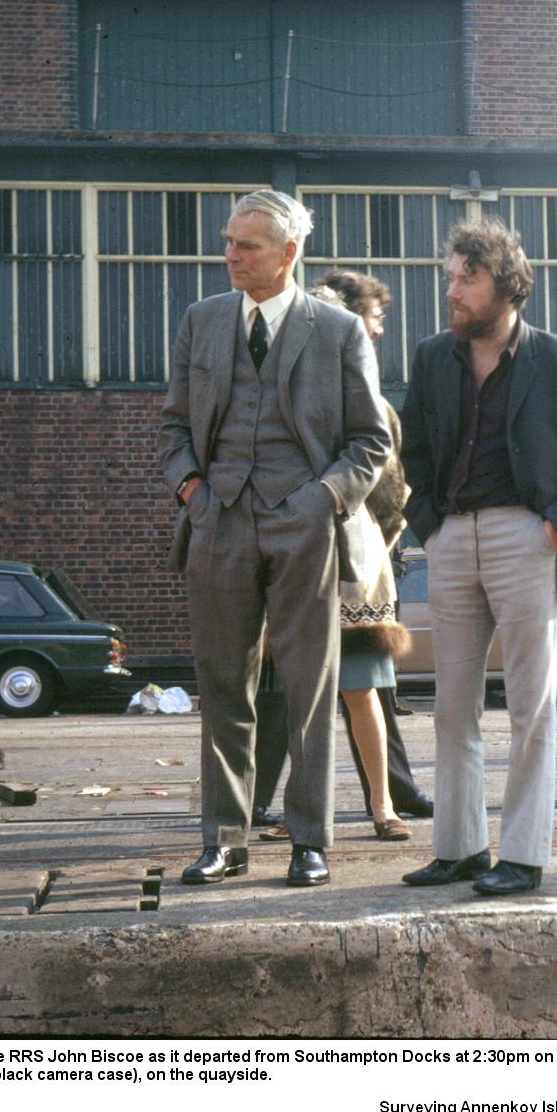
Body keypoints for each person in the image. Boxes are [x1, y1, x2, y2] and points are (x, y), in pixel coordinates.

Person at [158, 190, 390, 887]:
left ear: (288, 253)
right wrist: (192, 490)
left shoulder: (337, 330)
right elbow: (172, 427)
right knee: (222, 682)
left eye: (246, 244)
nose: (229, 254)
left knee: (310, 685)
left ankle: (309, 840)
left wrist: (322, 499)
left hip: (304, 523)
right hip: (218, 520)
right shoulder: (200, 322)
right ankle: (223, 839)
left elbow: (369, 441)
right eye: (228, 241)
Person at [398, 219, 557, 895]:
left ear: (506, 285)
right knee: (450, 706)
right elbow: (411, 454)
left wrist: (551, 527)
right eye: (449, 276)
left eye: (467, 277)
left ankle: (522, 854)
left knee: (531, 706)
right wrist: (429, 526)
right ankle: (460, 847)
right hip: (450, 539)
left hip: (526, 539)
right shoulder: (433, 356)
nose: (452, 290)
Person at [249, 270, 434, 840]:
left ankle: (383, 805)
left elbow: (390, 490)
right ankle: (312, 810)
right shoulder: (279, 396)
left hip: (351, 558)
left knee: (359, 690)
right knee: (304, 698)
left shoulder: (367, 402)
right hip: (298, 557)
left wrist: (374, 538)